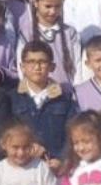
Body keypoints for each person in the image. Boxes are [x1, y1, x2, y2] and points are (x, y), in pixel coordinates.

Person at [8, 41, 79, 172]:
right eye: (31, 62)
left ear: (52, 66)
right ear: (22, 67)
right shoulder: (11, 98)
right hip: (21, 168)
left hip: (54, 169)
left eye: (42, 62)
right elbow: (6, 134)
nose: (37, 67)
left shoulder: (65, 99)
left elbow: (72, 134)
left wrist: (61, 159)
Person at [16, 0, 80, 89]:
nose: (53, 11)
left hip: (66, 94)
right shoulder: (26, 33)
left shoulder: (70, 33)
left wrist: (76, 92)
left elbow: (78, 67)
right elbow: (22, 69)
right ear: (35, 2)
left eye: (57, 6)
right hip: (37, 94)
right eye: (48, 6)